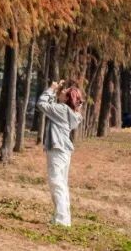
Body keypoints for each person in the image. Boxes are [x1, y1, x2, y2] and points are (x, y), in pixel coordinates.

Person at [36, 78, 84, 226]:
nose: (62, 91)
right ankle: (63, 217)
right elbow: (49, 106)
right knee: (61, 183)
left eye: (65, 92)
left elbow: (42, 104)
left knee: (56, 182)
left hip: (58, 149)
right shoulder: (67, 111)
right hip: (64, 151)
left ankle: (61, 220)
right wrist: (54, 91)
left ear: (68, 98)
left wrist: (51, 89)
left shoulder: (62, 110)